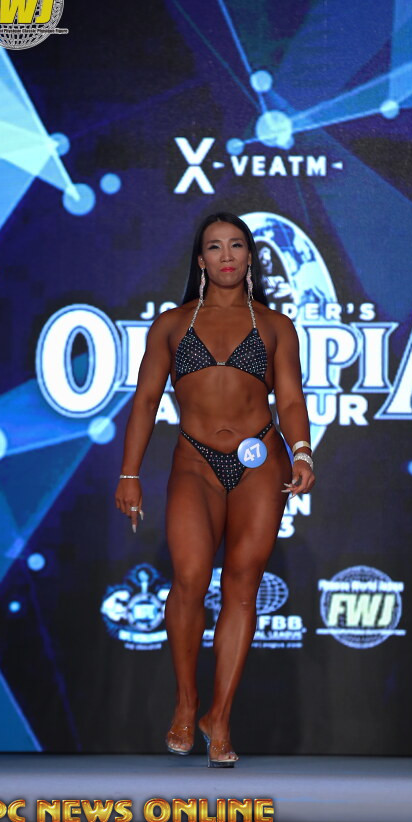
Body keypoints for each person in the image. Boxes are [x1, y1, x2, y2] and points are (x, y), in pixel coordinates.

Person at [115, 211, 315, 767]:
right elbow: (145, 401)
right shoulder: (172, 325)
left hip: (260, 461)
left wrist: (302, 451)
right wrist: (129, 474)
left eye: (236, 246)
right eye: (214, 247)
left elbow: (290, 398)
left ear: (250, 257)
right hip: (195, 462)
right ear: (200, 260)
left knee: (243, 587)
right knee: (189, 578)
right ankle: (187, 702)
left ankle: (219, 718)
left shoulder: (275, 326)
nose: (226, 256)